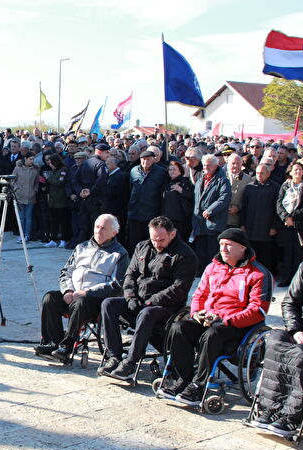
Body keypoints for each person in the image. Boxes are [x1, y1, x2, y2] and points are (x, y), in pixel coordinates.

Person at [162, 228, 272, 405]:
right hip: (208, 318)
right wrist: (197, 313)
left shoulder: (258, 274)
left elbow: (258, 310)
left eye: (229, 245)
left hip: (236, 325)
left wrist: (226, 319)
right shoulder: (213, 267)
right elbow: (199, 294)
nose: (223, 249)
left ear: (242, 248)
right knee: (178, 327)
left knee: (212, 334)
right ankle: (182, 379)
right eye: (221, 244)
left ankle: (198, 386)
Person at [99, 217, 197, 380]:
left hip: (166, 306)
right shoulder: (142, 246)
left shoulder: (185, 255)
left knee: (147, 314)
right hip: (139, 299)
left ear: (172, 234)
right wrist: (130, 296)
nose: (157, 244)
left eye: (161, 240)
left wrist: (150, 302)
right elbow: (130, 274)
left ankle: (130, 362)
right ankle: (114, 356)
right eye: (154, 239)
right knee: (108, 304)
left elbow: (178, 289)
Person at [36, 214, 129, 361]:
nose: (99, 231)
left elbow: (116, 285)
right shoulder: (82, 247)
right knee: (50, 298)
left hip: (95, 299)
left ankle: (66, 347)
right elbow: (66, 271)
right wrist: (68, 290)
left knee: (80, 303)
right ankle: (53, 342)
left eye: (104, 228)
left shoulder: (120, 254)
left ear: (114, 232)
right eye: (97, 227)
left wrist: (86, 292)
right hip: (74, 292)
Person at [246, 258, 303, 436]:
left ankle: (291, 417)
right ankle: (270, 408)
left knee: (301, 353)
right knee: (275, 340)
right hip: (301, 330)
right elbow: (290, 302)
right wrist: (296, 330)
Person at [276, 161, 303, 287]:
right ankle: (286, 278)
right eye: (295, 170)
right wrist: (286, 217)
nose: (298, 172)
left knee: (300, 254)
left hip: (302, 226)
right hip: (287, 226)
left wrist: (292, 216)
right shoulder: (285, 186)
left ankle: (298, 282)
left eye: (300, 169)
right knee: (287, 253)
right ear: (290, 172)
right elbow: (279, 204)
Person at [191, 154, 231, 275]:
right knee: (200, 248)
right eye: (204, 165)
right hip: (199, 221)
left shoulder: (222, 180)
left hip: (213, 221)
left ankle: (214, 273)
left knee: (212, 250)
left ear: (215, 165)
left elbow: (224, 198)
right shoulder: (201, 178)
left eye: (208, 165)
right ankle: (201, 272)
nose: (206, 168)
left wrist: (210, 210)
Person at [240, 164, 279, 273]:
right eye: (257, 173)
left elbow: (277, 209)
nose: (259, 175)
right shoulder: (250, 187)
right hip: (251, 227)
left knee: (266, 254)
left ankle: (266, 274)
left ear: (268, 174)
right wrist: (242, 224)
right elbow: (244, 207)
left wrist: (274, 226)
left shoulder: (275, 188)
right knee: (252, 252)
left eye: (262, 173)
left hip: (267, 228)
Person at [127, 150, 168, 253]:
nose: (146, 162)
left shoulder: (161, 172)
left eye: (148, 159)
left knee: (150, 243)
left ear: (153, 159)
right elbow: (130, 189)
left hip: (152, 213)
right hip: (135, 213)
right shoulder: (134, 171)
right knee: (134, 243)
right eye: (143, 159)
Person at [72, 143, 108, 242]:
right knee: (95, 228)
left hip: (84, 200)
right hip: (95, 201)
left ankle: (81, 248)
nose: (108, 155)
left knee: (83, 228)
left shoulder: (85, 163)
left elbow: (75, 180)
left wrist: (80, 191)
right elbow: (101, 180)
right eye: (106, 153)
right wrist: (90, 191)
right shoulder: (100, 164)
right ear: (100, 152)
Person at [43, 154, 72, 248]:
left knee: (63, 221)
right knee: (53, 221)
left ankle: (64, 239)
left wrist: (48, 178)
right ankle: (53, 239)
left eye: (51, 162)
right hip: (53, 200)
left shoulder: (63, 170)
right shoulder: (54, 171)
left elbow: (59, 182)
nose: (50, 164)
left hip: (61, 200)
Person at [161, 160, 193, 242]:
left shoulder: (185, 182)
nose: (172, 172)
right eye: (170, 170)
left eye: (174, 169)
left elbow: (191, 196)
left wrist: (181, 190)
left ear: (180, 170)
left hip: (180, 219)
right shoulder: (167, 183)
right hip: (167, 217)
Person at [12, 153, 38, 243]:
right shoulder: (18, 168)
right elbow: (13, 180)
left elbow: (36, 182)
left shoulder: (35, 170)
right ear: (25, 159)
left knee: (28, 217)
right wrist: (16, 189)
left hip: (30, 196)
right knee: (21, 217)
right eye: (30, 159)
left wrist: (35, 190)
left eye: (33, 159)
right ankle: (21, 234)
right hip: (20, 196)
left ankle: (27, 235)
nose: (32, 161)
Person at [226, 153, 252, 228]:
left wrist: (239, 208)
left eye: (238, 163)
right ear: (228, 163)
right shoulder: (222, 176)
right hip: (222, 217)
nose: (235, 166)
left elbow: (249, 198)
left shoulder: (248, 179)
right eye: (233, 163)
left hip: (237, 219)